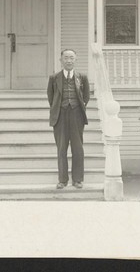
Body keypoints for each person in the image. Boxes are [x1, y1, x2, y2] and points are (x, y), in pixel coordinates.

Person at [47, 49, 90, 189]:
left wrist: (77, 107)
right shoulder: (54, 78)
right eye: (66, 58)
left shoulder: (82, 77)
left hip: (76, 115)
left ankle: (77, 179)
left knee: (78, 148)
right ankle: (62, 180)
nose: (69, 60)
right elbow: (51, 98)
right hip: (60, 116)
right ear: (61, 60)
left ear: (76, 59)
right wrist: (59, 108)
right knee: (61, 149)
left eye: (71, 58)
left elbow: (86, 97)